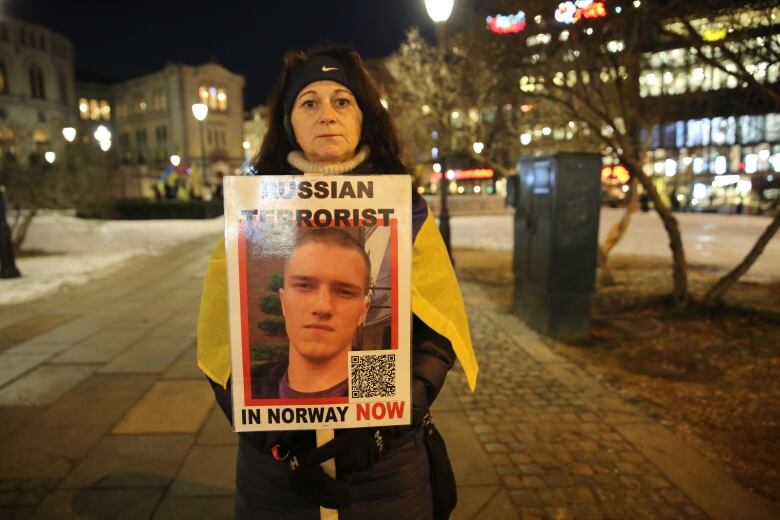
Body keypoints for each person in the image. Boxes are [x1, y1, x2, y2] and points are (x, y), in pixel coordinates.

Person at [197, 46, 478, 519]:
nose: (326, 114)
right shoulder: (254, 211)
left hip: (385, 471)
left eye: (342, 100)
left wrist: (383, 422)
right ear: (289, 122)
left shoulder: (403, 209)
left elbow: (436, 327)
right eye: (309, 101)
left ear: (364, 116)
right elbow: (223, 342)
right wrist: (277, 443)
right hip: (276, 480)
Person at [252, 228, 372, 399]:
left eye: (344, 292)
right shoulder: (247, 388)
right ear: (283, 301)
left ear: (363, 311)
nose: (323, 307)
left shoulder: (384, 387)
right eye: (304, 286)